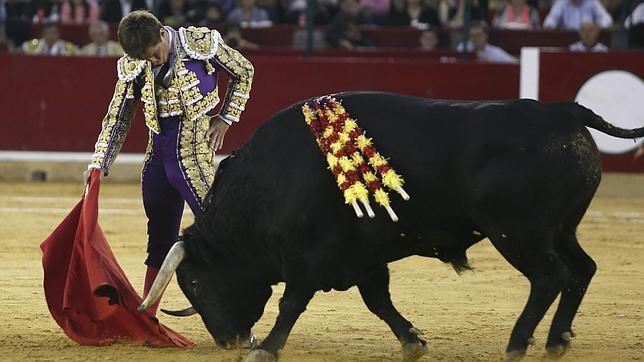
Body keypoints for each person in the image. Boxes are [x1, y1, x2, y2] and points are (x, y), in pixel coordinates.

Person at [84, 10, 254, 315]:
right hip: (158, 160)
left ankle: (239, 322)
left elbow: (244, 71)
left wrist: (226, 119)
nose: (152, 62)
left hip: (194, 158)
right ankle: (148, 319)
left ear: (162, 33)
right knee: (159, 239)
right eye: (146, 59)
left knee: (220, 235)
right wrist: (100, 161)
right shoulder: (135, 61)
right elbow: (119, 116)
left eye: (154, 55)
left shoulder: (199, 43)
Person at [543, 0, 612, 30]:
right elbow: (551, 19)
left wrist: (598, 26)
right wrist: (550, 25)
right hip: (567, 39)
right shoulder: (561, 2)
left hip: (586, 40)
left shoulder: (592, 1)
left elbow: (607, 19)